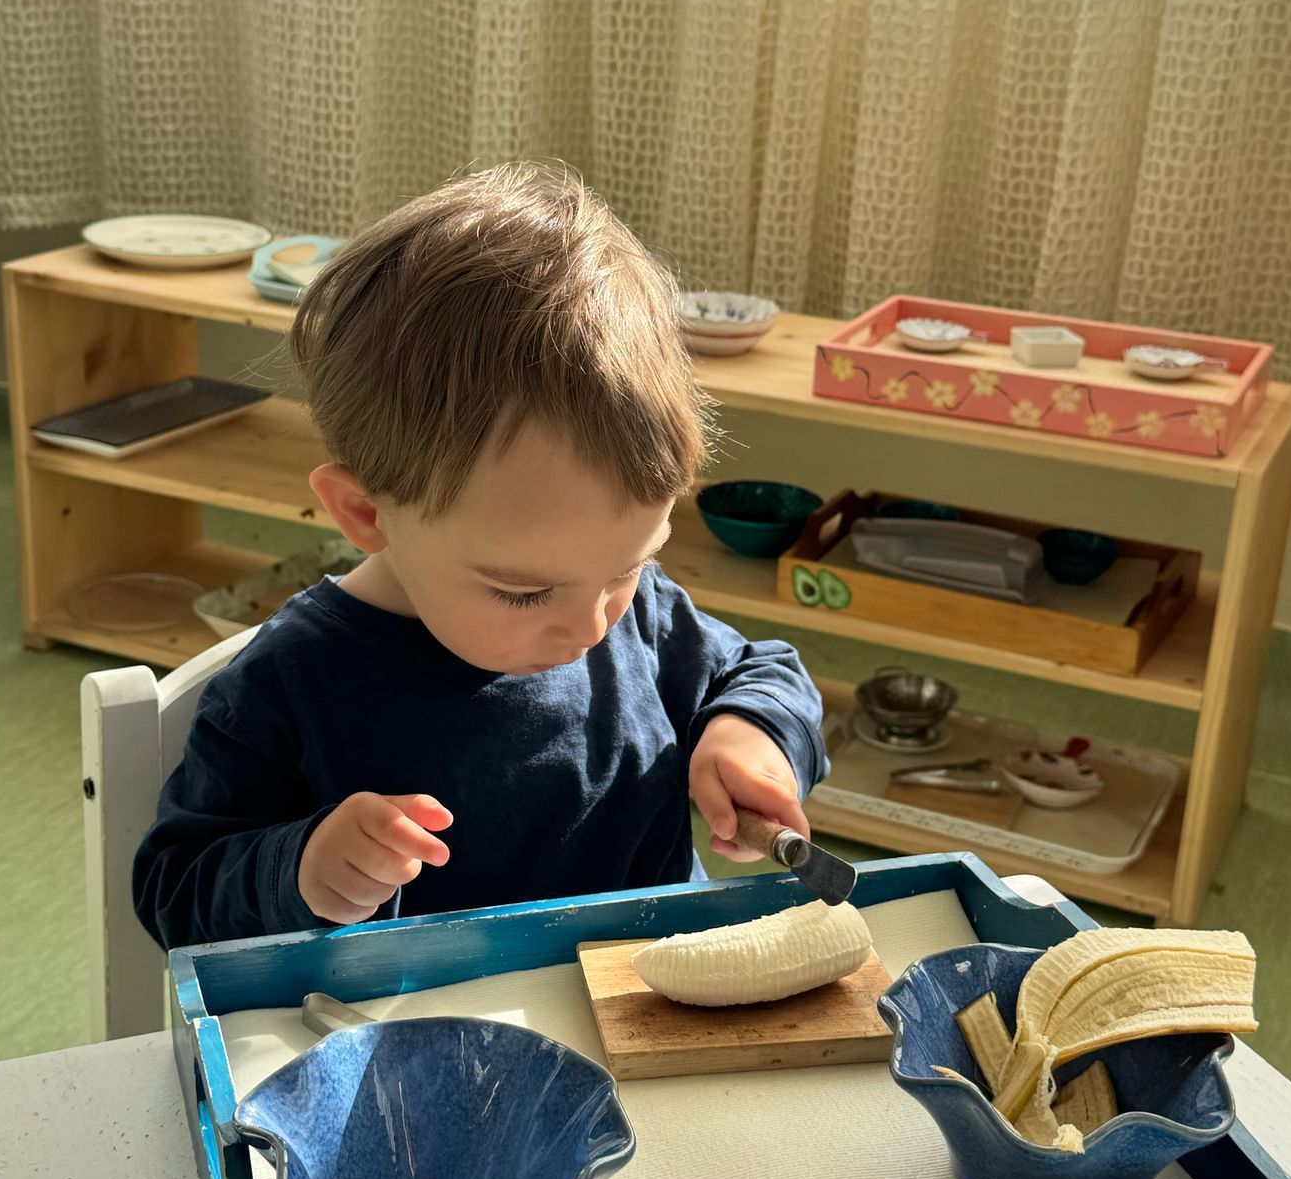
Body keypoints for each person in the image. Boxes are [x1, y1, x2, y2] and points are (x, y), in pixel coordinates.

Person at [134, 162, 826, 950]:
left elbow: (764, 670)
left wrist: (748, 734)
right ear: (367, 513)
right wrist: (303, 871)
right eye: (526, 594)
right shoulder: (289, 683)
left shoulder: (642, 616)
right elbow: (174, 887)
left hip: (642, 1014)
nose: (591, 627)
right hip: (407, 1045)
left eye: (626, 568)